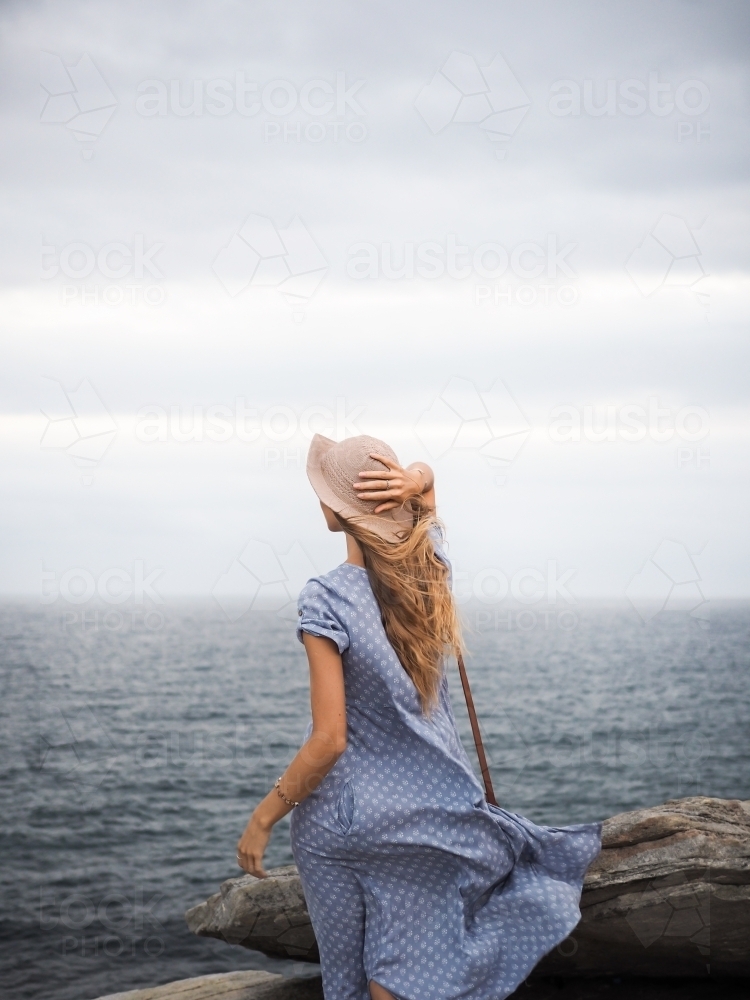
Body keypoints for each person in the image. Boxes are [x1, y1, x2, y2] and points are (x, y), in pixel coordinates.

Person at [237, 433, 602, 1000]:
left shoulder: (326, 598)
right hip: (428, 820)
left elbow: (330, 739)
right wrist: (419, 478)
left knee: (348, 979)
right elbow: (428, 500)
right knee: (403, 972)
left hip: (343, 827)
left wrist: (264, 817)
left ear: (337, 511)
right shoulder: (430, 575)